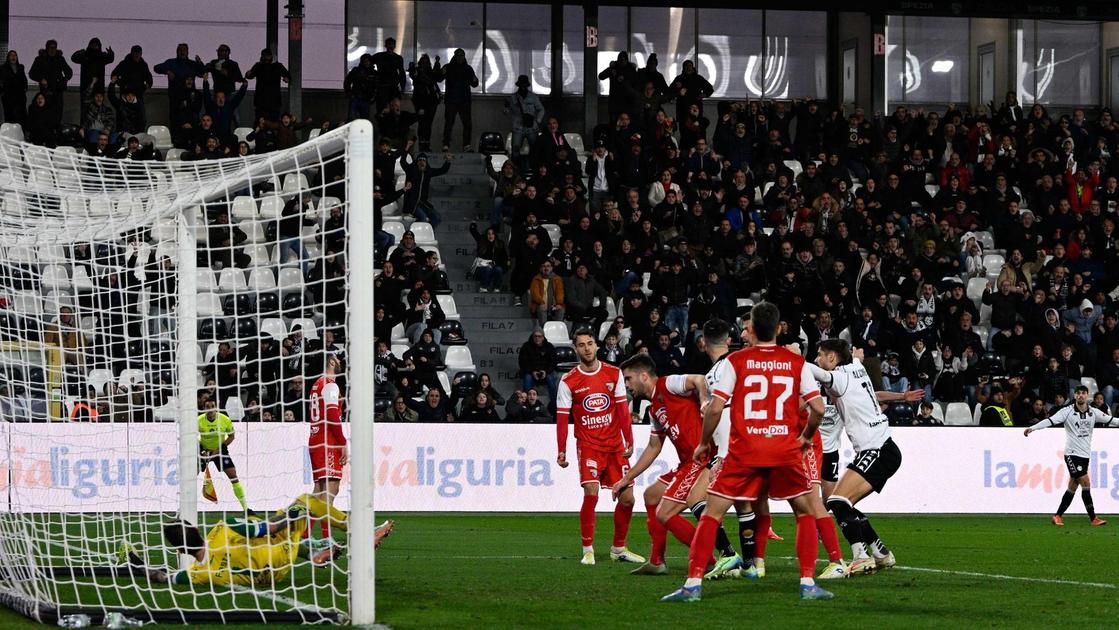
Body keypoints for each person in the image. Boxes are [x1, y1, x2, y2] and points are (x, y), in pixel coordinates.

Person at [662, 302, 833, 602]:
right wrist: (805, 436)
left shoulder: (736, 361)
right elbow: (818, 408)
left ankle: (692, 584)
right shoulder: (796, 363)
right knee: (805, 512)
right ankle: (807, 582)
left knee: (711, 514)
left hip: (744, 451)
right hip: (784, 450)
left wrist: (703, 442)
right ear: (779, 329)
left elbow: (715, 408)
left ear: (751, 328)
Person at [614, 354, 740, 576]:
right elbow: (654, 447)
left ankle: (712, 559)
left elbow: (699, 379)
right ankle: (656, 561)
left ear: (644, 376)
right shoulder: (653, 408)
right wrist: (626, 478)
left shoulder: (668, 384)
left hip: (702, 459)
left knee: (665, 513)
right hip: (687, 463)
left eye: (628, 378)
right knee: (652, 496)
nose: (627, 385)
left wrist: (702, 400)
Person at [117, 494, 395, 586]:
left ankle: (312, 552)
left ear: (180, 549)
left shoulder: (197, 573)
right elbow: (264, 529)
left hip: (269, 577)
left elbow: (161, 576)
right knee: (307, 501)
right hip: (280, 552)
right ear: (196, 529)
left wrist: (135, 564)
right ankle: (356, 531)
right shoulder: (220, 529)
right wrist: (291, 516)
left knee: (264, 543)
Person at [810, 339, 905, 576]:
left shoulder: (840, 378)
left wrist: (786, 359)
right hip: (881, 448)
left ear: (832, 358)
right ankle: (881, 554)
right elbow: (855, 359)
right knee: (844, 503)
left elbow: (815, 372)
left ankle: (861, 557)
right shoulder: (855, 366)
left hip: (877, 449)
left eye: (820, 355)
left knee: (837, 501)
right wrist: (856, 356)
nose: (817, 360)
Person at [556, 329, 644, 565]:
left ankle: (618, 548)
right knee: (591, 492)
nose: (586, 348)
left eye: (590, 343)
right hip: (589, 446)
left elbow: (622, 410)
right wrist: (561, 449)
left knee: (628, 499)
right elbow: (563, 417)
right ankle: (588, 549)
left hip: (615, 446)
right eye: (581, 344)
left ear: (597, 346)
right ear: (576, 349)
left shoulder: (613, 373)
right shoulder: (568, 381)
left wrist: (629, 439)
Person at [1024, 384, 1118, 526]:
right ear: (1075, 396)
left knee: (1073, 486)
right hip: (1071, 454)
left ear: (1087, 396)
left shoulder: (1094, 412)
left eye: (1083, 393)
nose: (1081, 395)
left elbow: (1113, 420)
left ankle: (1057, 516)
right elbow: (1050, 421)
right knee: (1085, 482)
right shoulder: (1066, 411)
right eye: (1078, 393)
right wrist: (1033, 428)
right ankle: (1093, 518)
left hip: (1085, 455)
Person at [309, 354, 348, 540]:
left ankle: (304, 536)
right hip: (328, 442)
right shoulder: (331, 385)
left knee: (318, 492)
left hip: (315, 439)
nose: (340, 362)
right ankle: (326, 540)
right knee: (330, 491)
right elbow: (332, 415)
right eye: (337, 360)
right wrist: (343, 443)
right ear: (331, 362)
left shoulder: (316, 384)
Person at [196, 398, 254, 513]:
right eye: (208, 406)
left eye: (213, 406)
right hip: (203, 451)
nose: (211, 409)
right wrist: (201, 451)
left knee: (233, 476)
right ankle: (185, 508)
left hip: (220, 450)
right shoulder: (198, 420)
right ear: (204, 408)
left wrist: (219, 449)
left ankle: (246, 508)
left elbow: (232, 436)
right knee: (190, 476)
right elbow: (191, 436)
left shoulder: (225, 420)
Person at [438, 48, 479, 152]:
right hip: (452, 100)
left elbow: (474, 84)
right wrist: (441, 72)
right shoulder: (448, 67)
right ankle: (446, 144)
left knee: (467, 124)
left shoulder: (468, 69)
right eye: (458, 55)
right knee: (449, 123)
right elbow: (439, 79)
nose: (460, 58)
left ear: (464, 57)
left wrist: (475, 79)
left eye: (462, 56)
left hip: (463, 101)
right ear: (455, 56)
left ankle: (466, 145)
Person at [506, 74, 544, 167]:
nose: (523, 87)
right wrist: (506, 108)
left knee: (534, 149)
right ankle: (515, 169)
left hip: (531, 127)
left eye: (524, 85)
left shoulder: (533, 97)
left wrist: (537, 121)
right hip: (518, 127)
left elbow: (541, 109)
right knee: (515, 149)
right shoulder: (513, 98)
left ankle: (534, 168)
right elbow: (506, 111)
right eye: (521, 85)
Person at [246, 48, 290, 122]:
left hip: (267, 101)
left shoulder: (260, 66)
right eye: (265, 56)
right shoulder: (276, 66)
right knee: (268, 122)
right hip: (268, 101)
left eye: (267, 56)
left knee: (263, 123)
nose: (266, 58)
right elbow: (249, 75)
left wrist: (287, 78)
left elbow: (288, 76)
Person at [408, 54, 441, 151]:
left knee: (427, 124)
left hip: (431, 101)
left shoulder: (429, 72)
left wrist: (437, 63)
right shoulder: (418, 72)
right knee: (423, 123)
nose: (425, 64)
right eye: (423, 62)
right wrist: (412, 68)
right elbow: (413, 76)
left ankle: (426, 144)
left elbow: (437, 77)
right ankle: (423, 144)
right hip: (421, 101)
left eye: (426, 62)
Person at [70, 37, 114, 105]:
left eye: (96, 45)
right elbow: (73, 58)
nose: (94, 46)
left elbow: (110, 59)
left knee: (98, 110)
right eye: (93, 44)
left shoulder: (101, 56)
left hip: (99, 88)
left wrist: (111, 53)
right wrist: (80, 51)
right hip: (86, 87)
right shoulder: (84, 55)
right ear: (89, 45)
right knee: (86, 109)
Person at [371, 37, 406, 112]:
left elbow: (402, 73)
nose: (390, 46)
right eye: (389, 44)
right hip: (386, 86)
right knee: (385, 109)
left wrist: (403, 87)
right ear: (386, 45)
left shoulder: (379, 56)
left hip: (388, 87)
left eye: (392, 44)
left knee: (385, 109)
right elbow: (401, 73)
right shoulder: (397, 58)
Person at [0, 50, 28, 126]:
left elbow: (24, 79)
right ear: (8, 57)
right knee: (9, 117)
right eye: (11, 55)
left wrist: (25, 87)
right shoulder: (3, 68)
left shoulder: (21, 67)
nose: (13, 57)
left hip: (20, 96)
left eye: (15, 55)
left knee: (21, 117)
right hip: (8, 96)